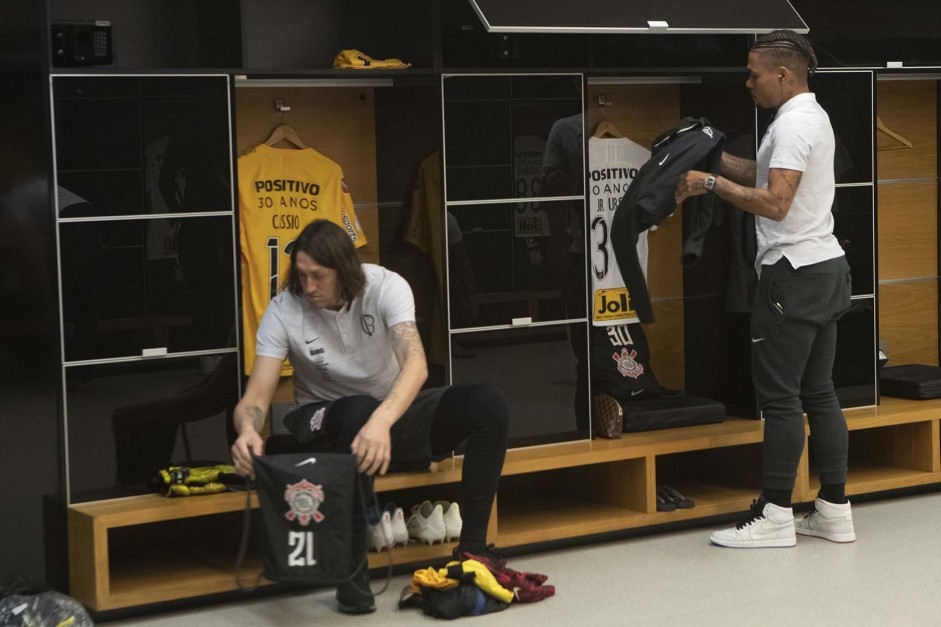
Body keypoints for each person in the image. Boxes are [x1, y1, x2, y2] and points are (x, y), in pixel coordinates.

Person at [230, 219, 509, 613]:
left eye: (318, 276)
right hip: (322, 419)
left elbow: (415, 364)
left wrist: (382, 421)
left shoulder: (386, 286)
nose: (308, 287)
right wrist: (246, 429)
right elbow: (256, 395)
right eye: (302, 275)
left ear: (344, 270)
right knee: (359, 410)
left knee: (488, 404)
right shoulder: (284, 308)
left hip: (386, 417)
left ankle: (473, 552)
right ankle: (352, 568)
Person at [675, 30, 855, 548]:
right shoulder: (806, 117)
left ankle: (775, 513)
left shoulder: (796, 124)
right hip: (825, 268)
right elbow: (765, 174)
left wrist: (710, 186)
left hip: (792, 275)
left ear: (783, 74)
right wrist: (714, 160)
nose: (748, 81)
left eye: (755, 73)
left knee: (779, 399)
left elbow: (775, 202)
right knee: (820, 392)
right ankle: (833, 511)